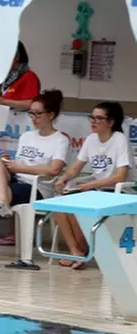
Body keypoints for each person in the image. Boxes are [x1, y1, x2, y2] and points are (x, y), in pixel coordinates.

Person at [0, 90, 68, 268]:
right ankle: (1, 204)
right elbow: (19, 165)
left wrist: (20, 167)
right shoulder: (26, 136)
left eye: (38, 113)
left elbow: (53, 169)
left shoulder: (60, 140)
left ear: (51, 114)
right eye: (31, 113)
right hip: (18, 182)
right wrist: (10, 163)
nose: (33, 118)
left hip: (38, 188)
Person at [52, 101, 133, 270]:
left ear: (111, 122)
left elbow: (120, 176)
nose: (93, 121)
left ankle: (82, 251)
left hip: (117, 191)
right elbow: (76, 167)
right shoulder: (90, 139)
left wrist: (90, 185)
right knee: (59, 204)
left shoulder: (119, 140)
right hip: (96, 188)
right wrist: (64, 178)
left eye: (99, 118)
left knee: (77, 206)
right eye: (92, 117)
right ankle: (75, 251)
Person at [0, 41, 40, 112]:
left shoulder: (29, 76)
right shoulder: (1, 77)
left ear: (17, 57)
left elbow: (30, 104)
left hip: (17, 120)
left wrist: (3, 101)